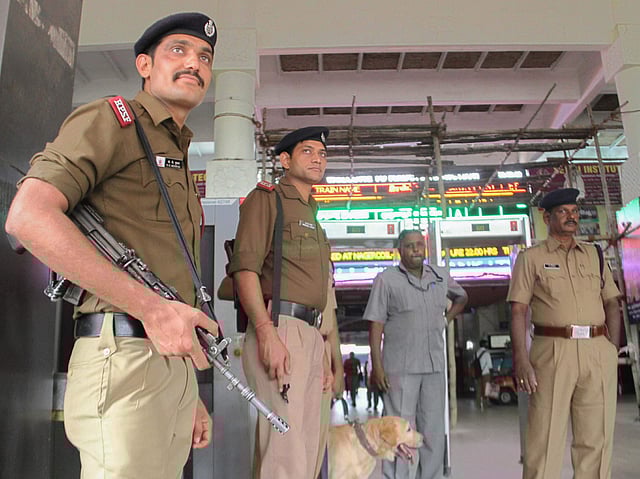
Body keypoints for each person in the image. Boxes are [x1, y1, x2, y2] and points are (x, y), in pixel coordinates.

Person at [4, 12, 220, 478]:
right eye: (178, 51)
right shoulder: (112, 121)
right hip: (122, 356)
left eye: (204, 56)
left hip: (166, 363)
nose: (194, 63)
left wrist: (186, 390)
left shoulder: (175, 149)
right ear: (144, 65)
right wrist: (152, 309)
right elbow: (27, 217)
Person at [227, 126, 332, 479]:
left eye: (322, 153)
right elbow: (245, 270)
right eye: (308, 151)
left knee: (306, 449)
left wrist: (324, 353)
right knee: (286, 453)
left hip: (310, 334)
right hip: (280, 328)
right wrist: (266, 332)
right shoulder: (268, 199)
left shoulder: (312, 212)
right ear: (285, 160)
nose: (318, 159)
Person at [508, 187, 621, 479]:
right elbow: (518, 310)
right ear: (547, 218)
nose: (571, 217)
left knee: (596, 438)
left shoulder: (595, 255)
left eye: (574, 211)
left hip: (597, 349)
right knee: (544, 437)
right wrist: (521, 359)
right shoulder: (531, 258)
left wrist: (612, 348)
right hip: (553, 350)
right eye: (562, 212)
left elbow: (611, 301)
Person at [364, 229, 468, 479]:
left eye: (419, 245)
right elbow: (375, 325)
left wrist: (446, 319)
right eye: (410, 246)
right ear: (400, 250)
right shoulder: (386, 280)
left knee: (433, 431)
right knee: (396, 430)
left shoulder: (439, 276)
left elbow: (462, 297)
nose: (416, 250)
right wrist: (377, 366)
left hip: (433, 366)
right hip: (399, 368)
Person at [474, 339, 493, 410]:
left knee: (479, 388)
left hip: (478, 373)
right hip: (486, 373)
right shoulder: (486, 353)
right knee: (487, 387)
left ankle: (478, 403)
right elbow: (490, 365)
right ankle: (486, 403)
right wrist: (492, 373)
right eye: (486, 344)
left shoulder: (476, 353)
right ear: (484, 345)